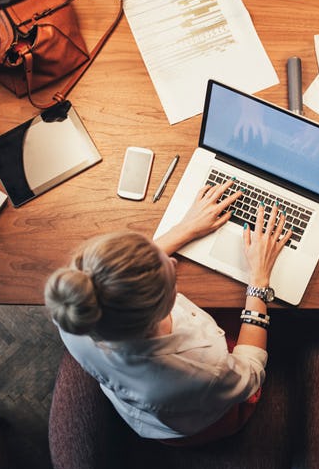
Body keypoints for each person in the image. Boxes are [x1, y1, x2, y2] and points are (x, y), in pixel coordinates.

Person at [44, 180, 292, 444]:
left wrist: (185, 229)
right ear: (158, 310)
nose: (172, 261)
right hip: (207, 419)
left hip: (149, 410)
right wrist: (259, 280)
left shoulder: (76, 305)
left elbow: (116, 279)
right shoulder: (203, 369)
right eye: (170, 276)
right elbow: (251, 375)